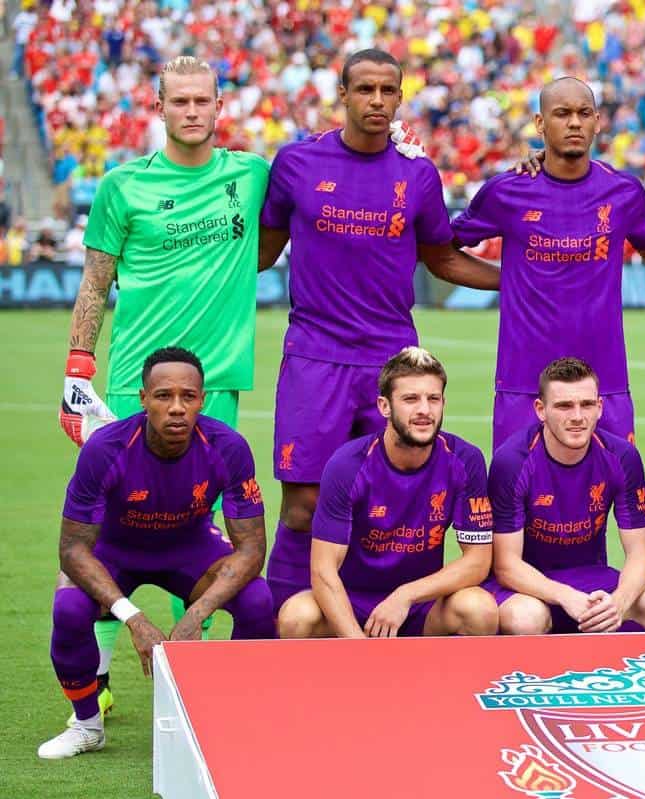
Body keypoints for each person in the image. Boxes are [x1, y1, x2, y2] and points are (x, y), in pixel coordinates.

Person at [58, 55, 270, 718]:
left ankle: (189, 680)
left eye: (202, 100)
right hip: (131, 385)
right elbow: (95, 280)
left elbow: (332, 168)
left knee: (202, 538)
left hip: (219, 386)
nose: (192, 111)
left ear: (218, 105)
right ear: (159, 107)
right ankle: (93, 682)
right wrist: (77, 367)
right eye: (179, 101)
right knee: (104, 535)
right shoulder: (123, 186)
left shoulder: (250, 174)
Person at [259, 48, 500, 618]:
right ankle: (283, 626)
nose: (376, 101)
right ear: (342, 94)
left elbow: (442, 259)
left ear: (400, 97)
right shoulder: (296, 164)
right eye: (364, 89)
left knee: (397, 489)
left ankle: (402, 616)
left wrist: (527, 280)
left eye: (387, 91)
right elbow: (261, 254)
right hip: (315, 354)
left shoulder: (416, 174)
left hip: (393, 360)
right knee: (302, 504)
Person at [452, 76, 645, 452]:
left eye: (583, 113)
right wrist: (510, 281)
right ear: (540, 123)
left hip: (604, 380)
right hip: (523, 380)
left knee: (611, 499)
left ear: (597, 121)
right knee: (516, 501)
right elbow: (442, 252)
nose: (574, 122)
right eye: (562, 114)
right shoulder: (507, 190)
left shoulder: (623, 192)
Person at [39, 348, 274, 759]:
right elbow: (73, 549)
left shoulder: (228, 446)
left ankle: (238, 716)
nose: (177, 408)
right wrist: (134, 619)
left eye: (189, 396)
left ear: (203, 399)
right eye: (164, 396)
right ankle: (87, 725)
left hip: (190, 550)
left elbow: (252, 548)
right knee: (70, 608)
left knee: (258, 599)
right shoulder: (105, 448)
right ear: (143, 398)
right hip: (115, 553)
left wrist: (195, 614)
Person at [277, 347, 498, 638]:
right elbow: (323, 571)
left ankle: (445, 683)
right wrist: (360, 645)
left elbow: (478, 561)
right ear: (384, 406)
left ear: (443, 402)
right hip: (354, 604)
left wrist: (405, 596)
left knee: (479, 609)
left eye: (433, 399)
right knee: (296, 617)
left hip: (421, 604)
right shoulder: (347, 465)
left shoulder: (465, 459)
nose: (424, 410)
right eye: (410, 399)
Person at [487, 357, 645, 634]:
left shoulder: (621, 456)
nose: (577, 416)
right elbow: (506, 565)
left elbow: (640, 552)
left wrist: (618, 603)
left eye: (586, 404)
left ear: (599, 407)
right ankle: (534, 677)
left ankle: (617, 675)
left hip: (589, 576)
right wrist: (565, 596)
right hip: (526, 586)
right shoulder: (512, 461)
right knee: (525, 617)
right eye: (564, 406)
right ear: (541, 410)